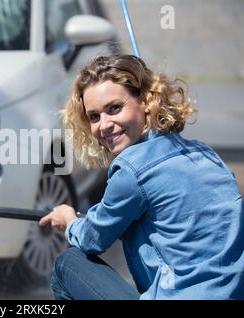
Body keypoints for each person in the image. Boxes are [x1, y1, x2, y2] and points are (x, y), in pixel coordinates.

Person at [39, 54, 244, 299]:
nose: (104, 125)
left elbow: (92, 239)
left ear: (146, 100)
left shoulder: (131, 170)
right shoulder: (206, 153)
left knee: (68, 263)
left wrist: (70, 221)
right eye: (94, 116)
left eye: (114, 108)